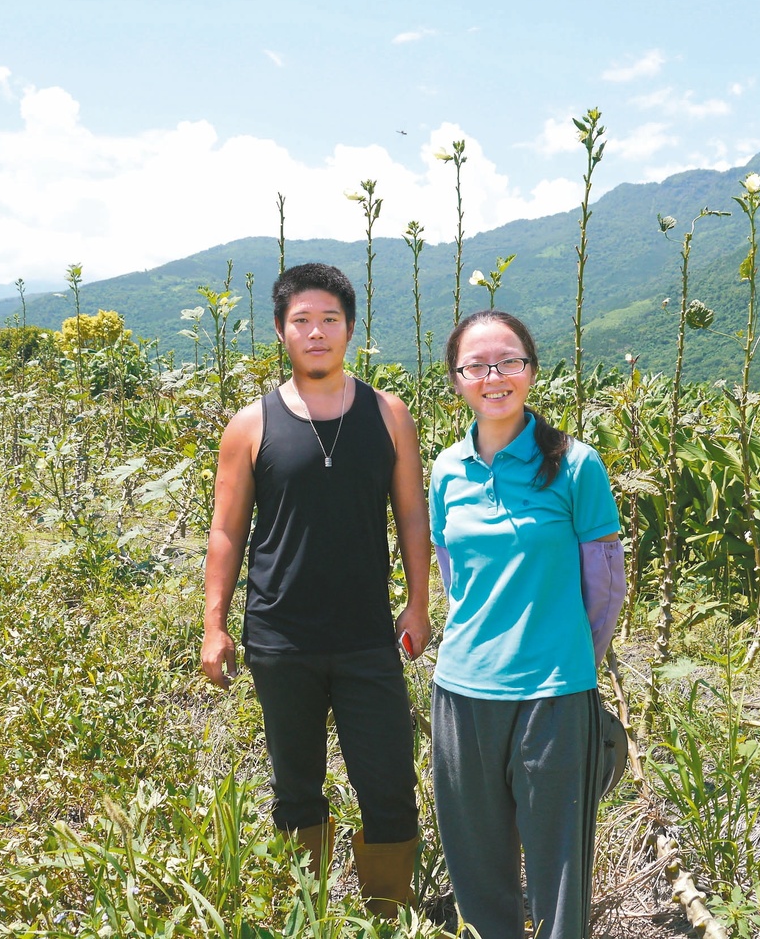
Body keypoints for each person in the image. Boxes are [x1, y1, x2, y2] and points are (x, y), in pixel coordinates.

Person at [200, 263, 430, 916]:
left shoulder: (389, 415)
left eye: (330, 319)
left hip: (366, 637)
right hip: (281, 637)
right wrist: (214, 624)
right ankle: (303, 917)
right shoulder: (251, 425)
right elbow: (225, 531)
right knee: (296, 789)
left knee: (389, 788)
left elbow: (412, 514)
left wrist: (418, 600)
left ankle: (386, 918)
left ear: (350, 329)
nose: (317, 331)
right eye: (302, 320)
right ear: (280, 331)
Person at [429, 310, 625, 939]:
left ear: (531, 371)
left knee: (560, 871)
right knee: (477, 868)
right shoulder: (446, 469)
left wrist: (567, 655)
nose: (495, 376)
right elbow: (454, 577)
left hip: (554, 693)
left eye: (509, 361)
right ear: (457, 379)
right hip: (462, 691)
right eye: (477, 365)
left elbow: (605, 587)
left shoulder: (575, 465)